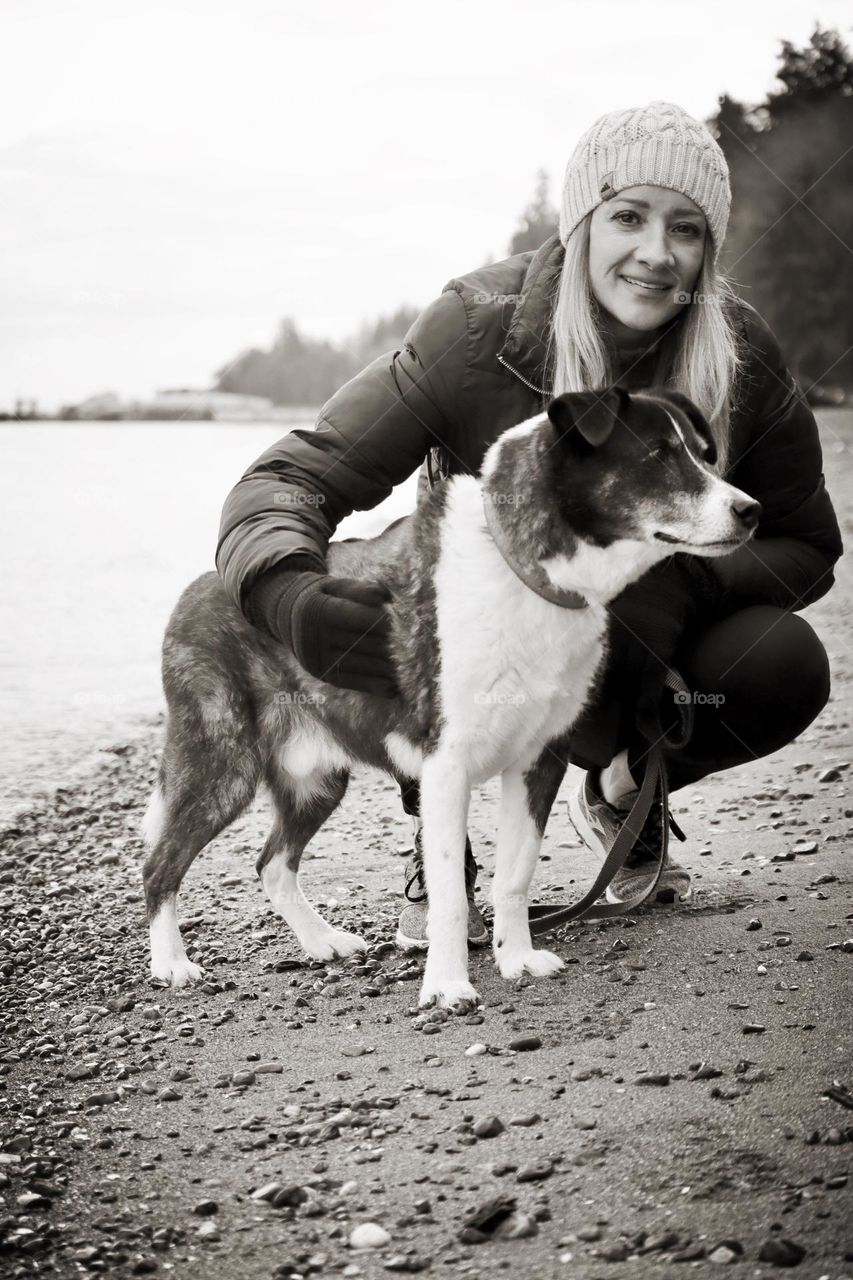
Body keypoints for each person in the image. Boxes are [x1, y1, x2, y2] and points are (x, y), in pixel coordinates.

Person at [216, 100, 843, 951]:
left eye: (686, 229)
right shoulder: (477, 330)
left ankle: (625, 788)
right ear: (582, 221)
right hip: (479, 640)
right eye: (628, 216)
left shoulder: (740, 352)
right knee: (426, 589)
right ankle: (440, 853)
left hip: (643, 647)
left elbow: (808, 546)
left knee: (779, 666)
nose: (656, 254)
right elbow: (292, 476)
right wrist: (286, 594)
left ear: (708, 248)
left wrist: (674, 581)